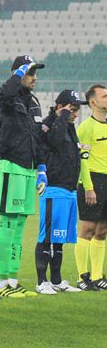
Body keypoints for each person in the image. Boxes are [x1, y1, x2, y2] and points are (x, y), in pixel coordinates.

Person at [0, 55, 45, 298]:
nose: (34, 78)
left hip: (28, 169)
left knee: (19, 227)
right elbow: (4, 93)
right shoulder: (7, 98)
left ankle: (13, 280)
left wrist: (41, 167)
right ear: (17, 74)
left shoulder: (33, 102)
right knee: (7, 224)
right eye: (30, 73)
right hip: (11, 166)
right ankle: (1, 283)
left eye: (35, 73)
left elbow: (37, 137)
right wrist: (17, 75)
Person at [35, 90, 86, 294]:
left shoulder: (68, 126)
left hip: (68, 189)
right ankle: (41, 282)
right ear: (60, 107)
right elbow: (55, 141)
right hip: (54, 188)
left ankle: (56, 280)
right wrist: (63, 116)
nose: (75, 114)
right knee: (47, 237)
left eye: (76, 110)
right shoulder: (49, 124)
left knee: (59, 237)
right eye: (72, 109)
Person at [75, 84, 107, 291]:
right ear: (93, 102)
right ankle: (82, 277)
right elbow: (83, 160)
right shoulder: (86, 127)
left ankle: (97, 276)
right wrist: (89, 187)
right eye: (105, 96)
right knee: (87, 229)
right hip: (93, 181)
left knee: (102, 230)